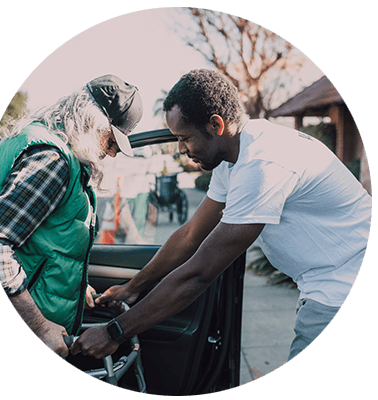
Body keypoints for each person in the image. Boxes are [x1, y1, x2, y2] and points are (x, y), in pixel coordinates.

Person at [69, 69, 372, 363]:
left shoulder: (263, 163)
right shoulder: (233, 157)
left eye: (185, 137)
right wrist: (133, 287)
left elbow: (200, 272)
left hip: (343, 287)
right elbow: (190, 235)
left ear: (216, 125)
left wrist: (115, 332)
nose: (181, 148)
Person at [0, 74, 143, 357]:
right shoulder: (52, 160)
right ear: (92, 122)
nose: (112, 152)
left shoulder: (40, 141)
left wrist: (75, 281)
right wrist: (40, 327)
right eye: (111, 141)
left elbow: (44, 240)